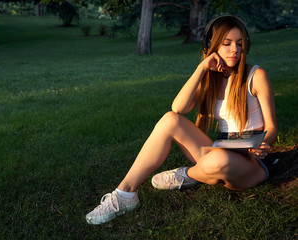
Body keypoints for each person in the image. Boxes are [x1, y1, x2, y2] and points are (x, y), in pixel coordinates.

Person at [85, 15, 278, 225]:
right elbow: (178, 108)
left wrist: (264, 144)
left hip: (251, 160)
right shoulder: (209, 79)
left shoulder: (256, 75)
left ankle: (190, 174)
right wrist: (202, 68)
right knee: (170, 120)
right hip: (223, 146)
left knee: (217, 160)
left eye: (239, 44)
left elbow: (272, 127)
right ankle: (124, 194)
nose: (235, 50)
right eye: (227, 43)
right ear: (211, 46)